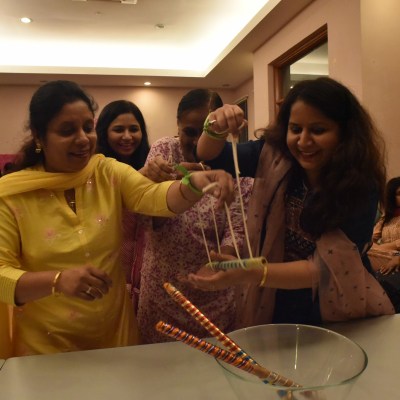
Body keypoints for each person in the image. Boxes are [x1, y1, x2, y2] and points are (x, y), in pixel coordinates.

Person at [0, 80, 234, 358]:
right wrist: (57, 281)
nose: (83, 139)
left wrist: (193, 184)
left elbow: (153, 196)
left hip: (114, 339)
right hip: (47, 348)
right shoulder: (12, 195)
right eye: (67, 131)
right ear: (39, 137)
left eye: (88, 127)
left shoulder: (106, 172)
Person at [187, 77, 395, 326]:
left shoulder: (361, 186)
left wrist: (252, 272)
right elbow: (210, 155)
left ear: (345, 133)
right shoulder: (275, 156)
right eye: (295, 129)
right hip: (275, 299)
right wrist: (215, 126)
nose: (304, 141)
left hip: (336, 303)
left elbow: (325, 268)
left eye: (318, 130)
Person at [136, 89, 253, 343]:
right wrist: (167, 185)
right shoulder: (165, 152)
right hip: (163, 290)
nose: (198, 141)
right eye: (190, 132)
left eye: (207, 131)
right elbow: (149, 214)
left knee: (216, 362)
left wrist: (219, 263)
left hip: (216, 295)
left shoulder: (235, 160)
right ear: (177, 125)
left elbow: (237, 227)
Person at [95, 100, 149, 296]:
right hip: (109, 266)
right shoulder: (95, 169)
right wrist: (140, 178)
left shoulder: (152, 164)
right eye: (118, 130)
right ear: (104, 133)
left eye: (133, 129)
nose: (127, 136)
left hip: (146, 270)